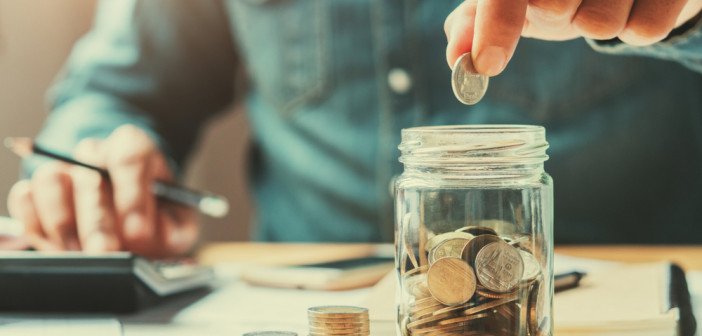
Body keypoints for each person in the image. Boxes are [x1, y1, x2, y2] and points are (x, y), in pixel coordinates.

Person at [6, 0, 702, 257]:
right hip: (302, 304)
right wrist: (95, 160)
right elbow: (113, 91)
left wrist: (688, 16)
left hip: (627, 297)